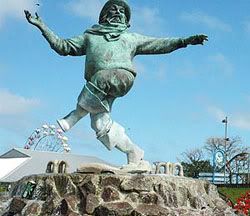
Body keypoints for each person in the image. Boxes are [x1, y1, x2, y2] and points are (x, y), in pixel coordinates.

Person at [24, 0, 208, 171]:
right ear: (104, 15)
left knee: (102, 77)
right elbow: (63, 47)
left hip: (121, 76)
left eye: (122, 11)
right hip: (97, 86)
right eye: (113, 9)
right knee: (99, 124)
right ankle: (134, 152)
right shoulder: (90, 36)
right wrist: (42, 26)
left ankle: (74, 116)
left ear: (127, 20)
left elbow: (159, 44)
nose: (118, 12)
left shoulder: (131, 38)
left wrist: (185, 41)